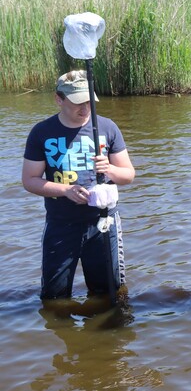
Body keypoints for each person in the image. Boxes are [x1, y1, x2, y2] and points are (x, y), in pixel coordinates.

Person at [22, 70, 135, 300]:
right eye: (77, 102)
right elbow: (29, 180)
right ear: (59, 99)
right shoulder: (42, 132)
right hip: (61, 225)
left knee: (108, 294)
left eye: (89, 102)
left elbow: (128, 175)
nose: (85, 108)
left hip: (103, 223)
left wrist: (110, 169)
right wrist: (65, 191)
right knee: (54, 298)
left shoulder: (107, 128)